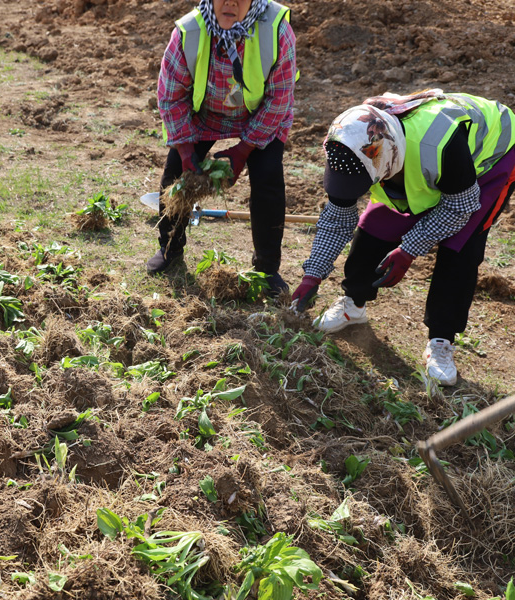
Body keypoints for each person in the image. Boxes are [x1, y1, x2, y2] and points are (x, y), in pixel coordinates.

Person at [291, 90, 515, 386]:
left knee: (460, 247)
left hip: (489, 160)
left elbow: (461, 206)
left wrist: (409, 249)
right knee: (374, 226)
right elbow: (337, 219)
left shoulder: (437, 145)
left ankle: (441, 340)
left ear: (387, 162)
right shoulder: (353, 144)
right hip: (421, 163)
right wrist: (312, 275)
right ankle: (353, 304)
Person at [147, 0, 297, 297]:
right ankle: (170, 248)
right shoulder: (189, 31)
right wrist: (187, 151)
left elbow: (279, 97)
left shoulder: (276, 28)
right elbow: (170, 96)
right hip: (204, 115)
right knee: (175, 175)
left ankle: (267, 268)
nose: (230, 2)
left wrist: (243, 151)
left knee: (268, 179)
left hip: (261, 115)